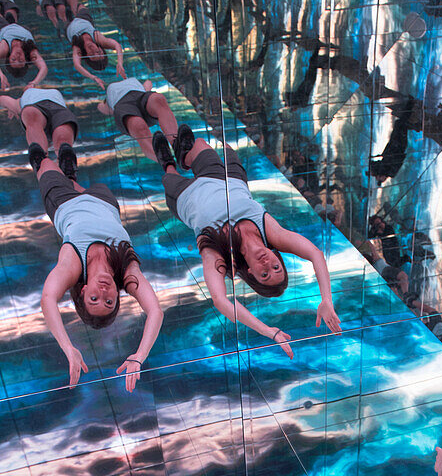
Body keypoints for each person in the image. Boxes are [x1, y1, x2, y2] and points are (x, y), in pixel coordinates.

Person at [133, 92, 342, 355]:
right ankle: (184, 154)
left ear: (251, 273)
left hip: (186, 198)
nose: (268, 265)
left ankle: (169, 163)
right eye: (276, 266)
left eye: (265, 274)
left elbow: (221, 301)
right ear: (277, 256)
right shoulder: (271, 233)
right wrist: (326, 300)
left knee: (170, 172)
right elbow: (315, 254)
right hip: (225, 178)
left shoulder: (220, 255)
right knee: (198, 144)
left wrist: (269, 331)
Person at [0, 87, 163, 390]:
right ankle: (69, 171)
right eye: (109, 300)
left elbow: (48, 299)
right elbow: (154, 311)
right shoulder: (127, 271)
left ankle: (25, 118)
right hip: (103, 201)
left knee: (43, 160)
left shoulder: (73, 266)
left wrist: (69, 348)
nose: (103, 292)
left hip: (61, 203)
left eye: (94, 299)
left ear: (82, 291)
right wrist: (139, 356)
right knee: (68, 164)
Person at [62, 0, 125, 86]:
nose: (93, 49)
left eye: (92, 54)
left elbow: (77, 65)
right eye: (98, 52)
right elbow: (117, 45)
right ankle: (72, 7)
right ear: (101, 49)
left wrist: (93, 77)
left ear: (86, 55)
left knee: (61, 13)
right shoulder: (98, 39)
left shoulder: (78, 47)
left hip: (68, 26)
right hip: (83, 18)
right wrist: (119, 63)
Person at [0, 17, 47, 89]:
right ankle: (11, 17)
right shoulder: (31, 51)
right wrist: (34, 83)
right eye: (21, 60)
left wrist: (1, 75)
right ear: (26, 59)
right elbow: (44, 68)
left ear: (9, 57)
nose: (18, 56)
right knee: (11, 13)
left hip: (3, 27)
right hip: (23, 28)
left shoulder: (5, 48)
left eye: (13, 59)